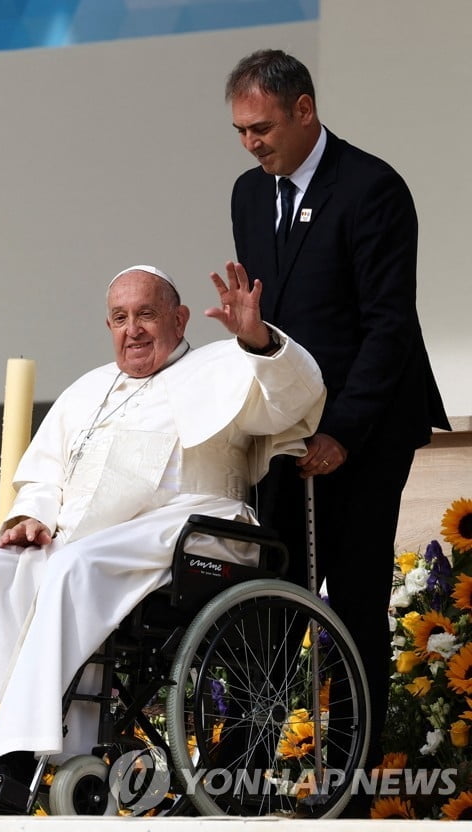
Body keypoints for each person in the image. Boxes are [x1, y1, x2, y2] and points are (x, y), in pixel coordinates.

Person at [0, 264, 325, 792]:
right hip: (85, 536)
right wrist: (31, 515)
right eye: (120, 318)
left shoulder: (226, 365)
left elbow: (297, 399)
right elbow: (42, 474)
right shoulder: (88, 388)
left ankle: (18, 759)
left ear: (179, 318)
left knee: (74, 567)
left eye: (147, 314)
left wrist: (258, 340)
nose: (133, 329)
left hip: (193, 528)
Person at [224, 49, 449, 766]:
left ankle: (351, 772)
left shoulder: (373, 188)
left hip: (368, 429)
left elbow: (388, 325)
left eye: (261, 128)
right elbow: (278, 318)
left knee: (351, 605)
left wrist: (344, 432)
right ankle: (245, 764)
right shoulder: (249, 194)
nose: (252, 144)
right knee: (270, 595)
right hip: (287, 433)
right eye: (240, 132)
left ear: (304, 110)